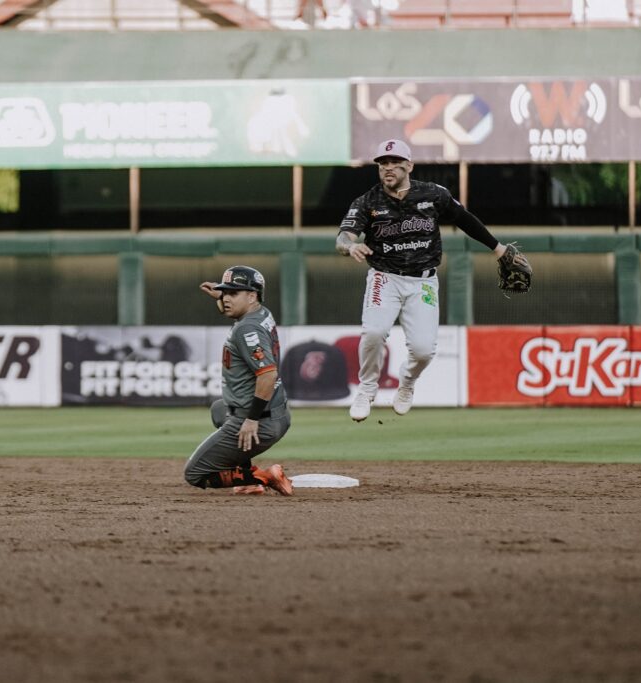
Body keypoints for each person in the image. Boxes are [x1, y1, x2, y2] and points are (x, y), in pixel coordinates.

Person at [336, 138, 520, 422]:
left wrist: (498, 249)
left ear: (409, 166)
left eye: (395, 163)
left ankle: (407, 382)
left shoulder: (433, 194)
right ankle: (367, 387)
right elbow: (343, 236)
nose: (388, 169)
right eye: (383, 163)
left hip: (423, 281)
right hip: (384, 277)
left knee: (423, 351)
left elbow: (465, 219)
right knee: (373, 333)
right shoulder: (367, 202)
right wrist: (350, 246)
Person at [184, 265, 293, 496]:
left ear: (252, 296)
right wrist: (221, 295)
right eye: (225, 293)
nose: (226, 299)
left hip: (259, 420)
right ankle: (248, 478)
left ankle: (264, 477)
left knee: (194, 474)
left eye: (233, 294)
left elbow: (267, 374)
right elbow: (235, 309)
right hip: (274, 410)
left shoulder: (248, 328)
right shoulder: (260, 312)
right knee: (219, 409)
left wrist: (251, 419)